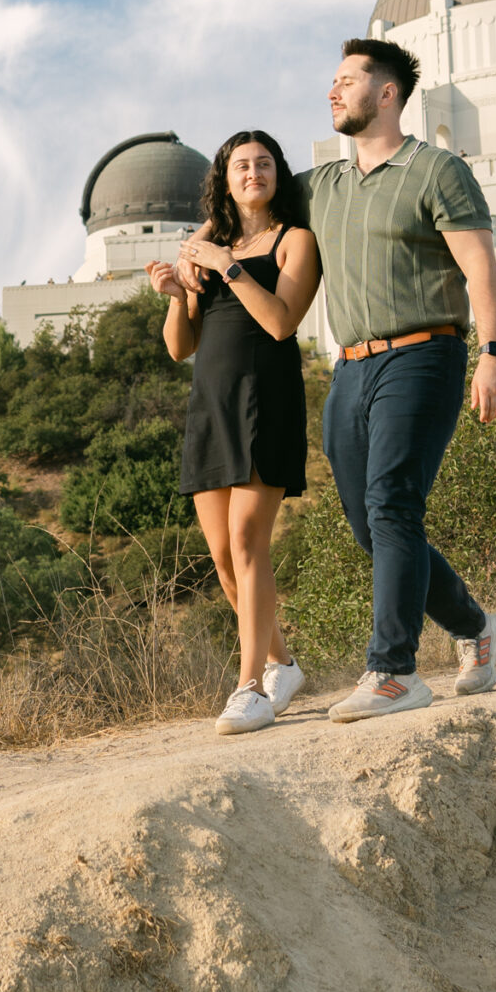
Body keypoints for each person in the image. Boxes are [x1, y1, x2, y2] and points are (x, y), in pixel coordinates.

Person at [298, 36, 496, 721]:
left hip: (424, 354)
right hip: (349, 368)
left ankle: (392, 671)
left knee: (393, 505)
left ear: (386, 93)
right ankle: (476, 628)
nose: (331, 92)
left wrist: (494, 352)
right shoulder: (321, 186)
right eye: (331, 82)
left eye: (346, 81)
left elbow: (479, 266)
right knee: (371, 526)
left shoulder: (435, 171)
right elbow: (252, 217)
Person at [147, 130, 321, 738]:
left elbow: (280, 323)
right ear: (224, 178)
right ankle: (282, 665)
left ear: (279, 174)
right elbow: (179, 348)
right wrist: (177, 295)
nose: (254, 173)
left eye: (264, 163)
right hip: (210, 406)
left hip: (265, 401)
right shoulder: (204, 247)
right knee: (222, 557)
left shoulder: (295, 240)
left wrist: (229, 268)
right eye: (242, 165)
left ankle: (249, 689)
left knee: (248, 542)